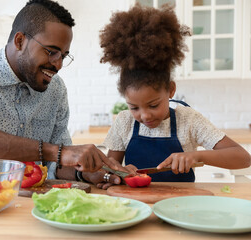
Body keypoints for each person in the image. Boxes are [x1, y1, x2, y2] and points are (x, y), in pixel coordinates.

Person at [0, 0, 127, 179]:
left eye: (63, 56)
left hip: (36, 206)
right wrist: (56, 152)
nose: (58, 64)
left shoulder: (56, 89)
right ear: (20, 41)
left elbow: (56, 165)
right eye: (51, 52)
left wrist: (85, 172)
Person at [80, 3, 251, 188]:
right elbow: (110, 169)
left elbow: (242, 158)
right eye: (134, 107)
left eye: (153, 105)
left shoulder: (190, 121)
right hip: (136, 205)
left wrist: (196, 155)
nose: (144, 115)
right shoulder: (124, 122)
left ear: (170, 90)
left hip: (183, 207)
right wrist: (118, 174)